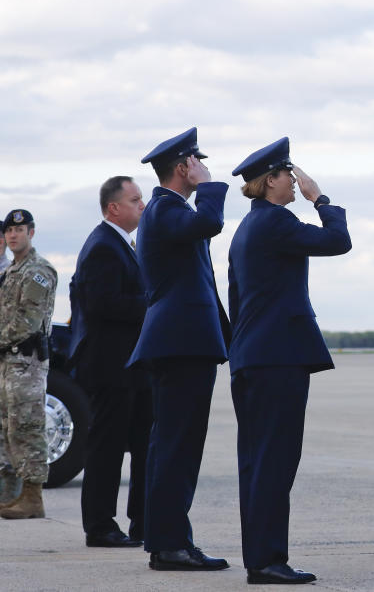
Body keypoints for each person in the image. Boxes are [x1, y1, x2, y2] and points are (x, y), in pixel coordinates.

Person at [228, 138, 351, 585]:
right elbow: (338, 241)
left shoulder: (247, 228)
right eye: (288, 175)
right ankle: (267, 561)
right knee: (274, 463)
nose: (295, 182)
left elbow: (237, 303)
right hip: (276, 359)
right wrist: (323, 200)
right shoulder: (274, 223)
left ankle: (262, 558)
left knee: (258, 463)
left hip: (252, 358)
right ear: (270, 181)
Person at [128, 127, 232, 572]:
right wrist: (209, 185)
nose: (202, 169)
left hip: (183, 343)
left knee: (175, 446)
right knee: (177, 447)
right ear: (182, 167)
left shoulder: (167, 212)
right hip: (180, 346)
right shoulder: (166, 209)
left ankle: (170, 539)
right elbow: (210, 222)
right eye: (196, 163)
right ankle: (169, 545)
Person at [67, 176, 151, 547]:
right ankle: (100, 526)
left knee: (135, 444)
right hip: (111, 367)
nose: (142, 206)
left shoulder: (119, 245)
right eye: (135, 200)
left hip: (126, 367)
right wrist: (154, 304)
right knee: (107, 449)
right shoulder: (104, 246)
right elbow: (104, 304)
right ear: (114, 208)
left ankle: (140, 523)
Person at [0, 209, 57, 519]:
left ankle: (33, 498)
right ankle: (11, 495)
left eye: (19, 230)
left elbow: (27, 322)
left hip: (27, 362)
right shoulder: (10, 272)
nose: (13, 235)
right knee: (8, 427)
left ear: (31, 233)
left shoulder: (39, 271)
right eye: (9, 230)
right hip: (9, 362)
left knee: (28, 426)